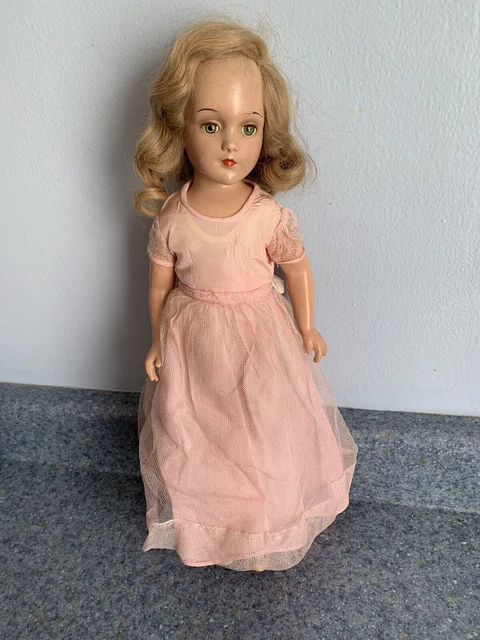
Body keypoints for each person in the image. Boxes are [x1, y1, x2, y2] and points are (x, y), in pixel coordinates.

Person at [133, 19, 358, 572]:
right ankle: (212, 530)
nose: (231, 143)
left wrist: (307, 325)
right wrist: (156, 340)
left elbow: (297, 269)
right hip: (192, 341)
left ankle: (264, 529)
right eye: (211, 125)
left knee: (262, 433)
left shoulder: (268, 216)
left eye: (248, 127)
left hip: (259, 337)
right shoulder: (173, 216)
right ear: (180, 127)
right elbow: (159, 284)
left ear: (265, 131)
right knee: (196, 436)